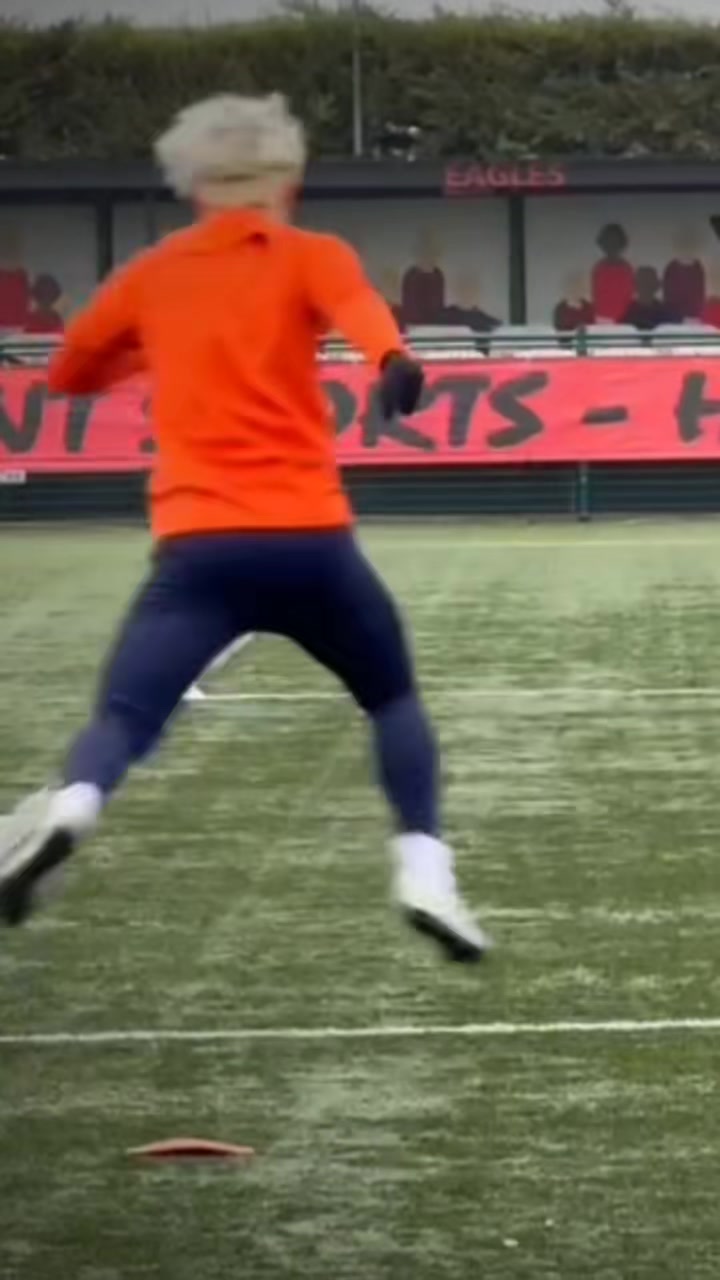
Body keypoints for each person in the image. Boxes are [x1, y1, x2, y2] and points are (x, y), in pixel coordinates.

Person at [0, 94, 488, 962]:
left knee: (123, 716)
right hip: (310, 540)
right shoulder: (311, 255)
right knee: (391, 698)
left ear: (194, 187)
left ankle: (74, 804)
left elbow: (69, 371)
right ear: (286, 183)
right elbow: (361, 312)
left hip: (200, 548)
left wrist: (159, 344)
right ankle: (424, 868)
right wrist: (393, 360)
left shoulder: (154, 274)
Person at [591, 223, 635, 323]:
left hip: (623, 319)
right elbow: (596, 295)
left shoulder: (626, 268)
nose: (612, 246)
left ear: (621, 244)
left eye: (615, 242)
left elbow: (629, 295)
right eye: (609, 242)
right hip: (602, 318)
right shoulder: (599, 268)